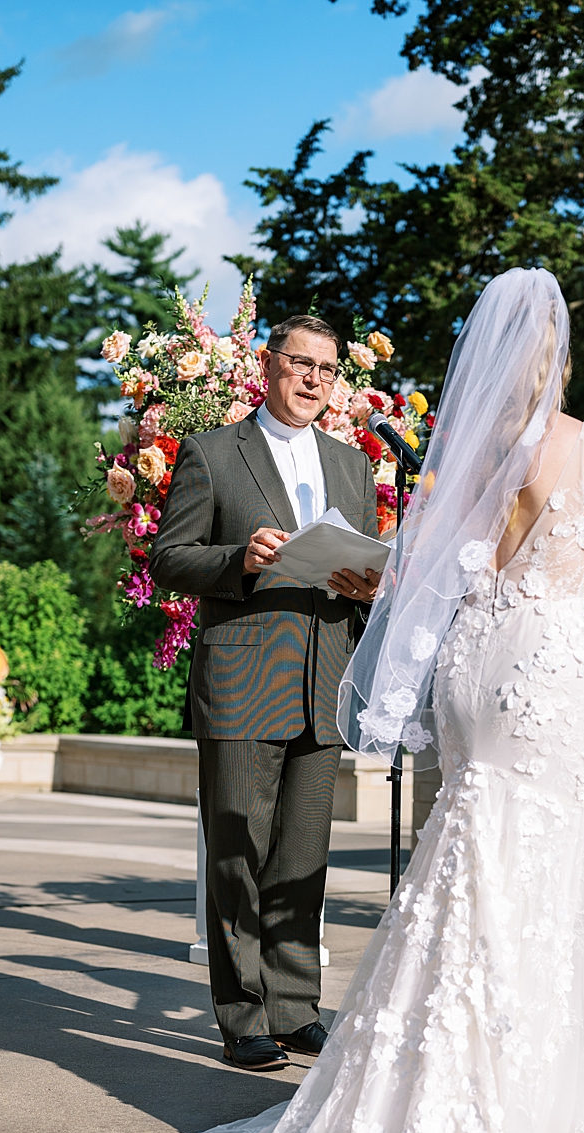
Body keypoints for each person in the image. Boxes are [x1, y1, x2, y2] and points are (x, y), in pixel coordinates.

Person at [0, 269, 584, 1133]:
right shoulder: (581, 448)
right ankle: (487, 1084)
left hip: (470, 677)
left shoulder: (461, 455)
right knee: (517, 876)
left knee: (458, 864)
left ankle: (364, 1033)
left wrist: (378, 574)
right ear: (560, 352)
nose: (313, 379)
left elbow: (419, 574)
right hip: (535, 674)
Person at [150, 315, 385, 1071]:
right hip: (244, 679)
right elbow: (169, 559)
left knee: (302, 859)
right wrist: (240, 560)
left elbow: (370, 573)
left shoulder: (353, 466)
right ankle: (242, 1016)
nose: (314, 379)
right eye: (301, 363)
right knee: (238, 854)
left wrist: (369, 587)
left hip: (323, 682)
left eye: (328, 369)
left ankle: (294, 1008)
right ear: (269, 364)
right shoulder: (213, 452)